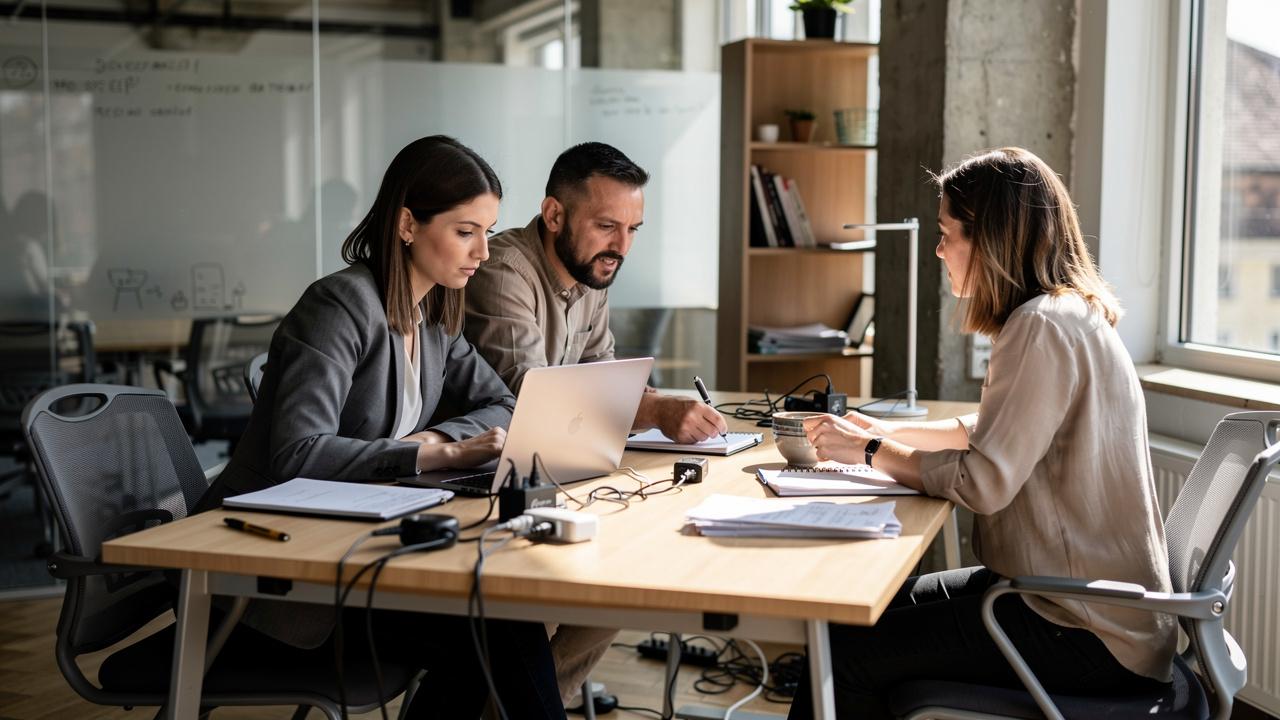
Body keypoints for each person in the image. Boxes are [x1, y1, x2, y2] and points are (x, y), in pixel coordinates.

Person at [789, 147, 1176, 718]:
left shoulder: (1039, 326)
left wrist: (869, 450)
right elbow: (1000, 430)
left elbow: (983, 484)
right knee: (855, 616)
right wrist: (887, 430)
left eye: (947, 234)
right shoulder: (1069, 313)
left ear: (991, 240)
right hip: (1088, 608)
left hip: (1081, 629)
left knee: (841, 655)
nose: (938, 249)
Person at [194, 135, 565, 719]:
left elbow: (502, 401)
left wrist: (433, 439)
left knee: (499, 624)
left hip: (349, 545)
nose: (484, 252)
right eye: (466, 231)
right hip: (267, 570)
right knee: (498, 630)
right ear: (407, 224)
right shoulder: (339, 307)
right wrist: (431, 457)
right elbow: (297, 453)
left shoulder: (434, 314)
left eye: (488, 231)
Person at [463, 141, 729, 705]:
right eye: (608, 226)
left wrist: (654, 404)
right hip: (485, 486)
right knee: (609, 570)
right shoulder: (505, 271)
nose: (622, 246)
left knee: (636, 566)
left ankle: (538, 703)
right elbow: (532, 394)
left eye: (633, 229)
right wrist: (654, 409)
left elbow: (603, 374)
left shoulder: (589, 272)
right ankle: (525, 703)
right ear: (554, 214)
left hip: (555, 471)